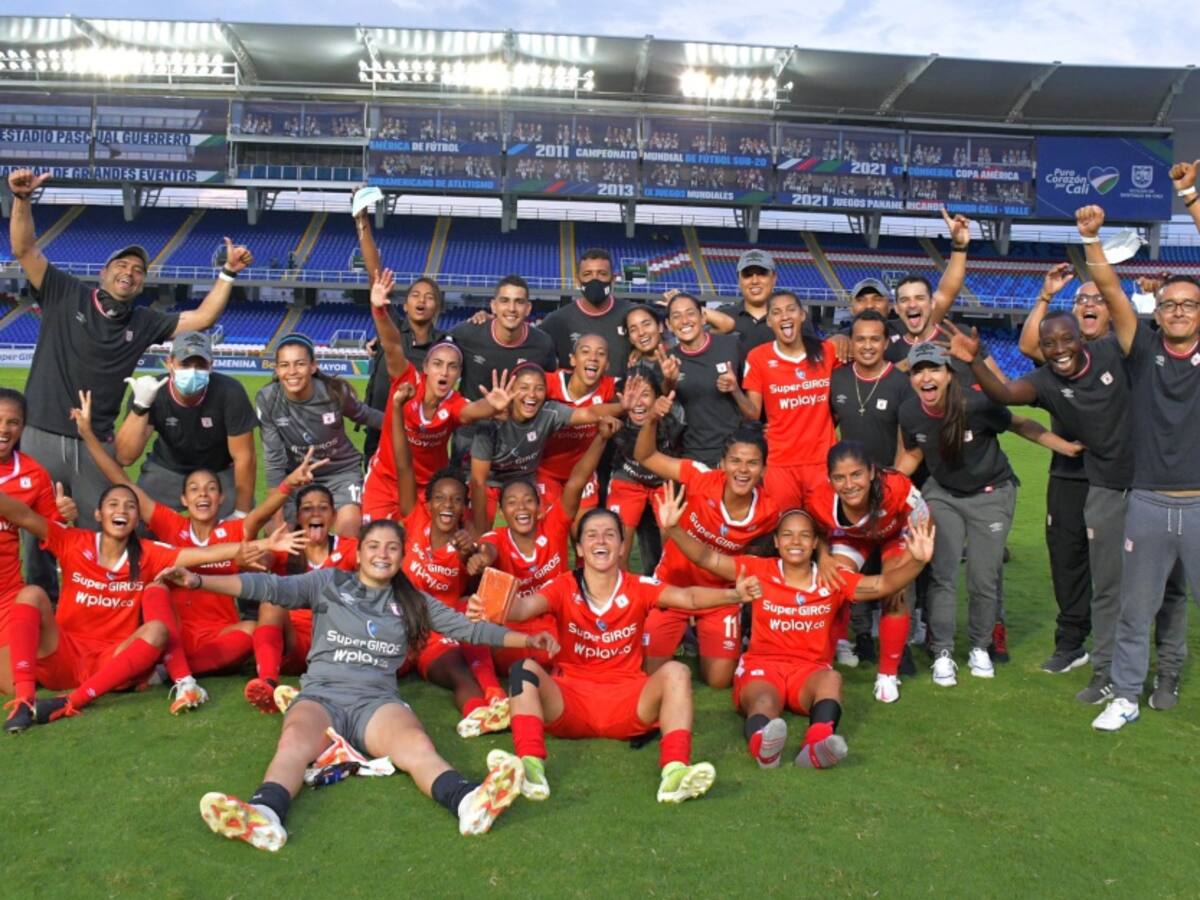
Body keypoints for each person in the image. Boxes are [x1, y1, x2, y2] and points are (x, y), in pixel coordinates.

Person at [158, 518, 558, 849]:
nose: (382, 554)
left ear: (402, 556)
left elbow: (469, 629)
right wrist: (196, 582)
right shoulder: (329, 583)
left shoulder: (412, 601)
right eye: (374, 546)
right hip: (321, 697)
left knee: (416, 745)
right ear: (360, 552)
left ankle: (469, 802)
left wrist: (526, 639)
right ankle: (265, 816)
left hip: (376, 702)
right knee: (294, 742)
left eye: (391, 548)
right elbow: (268, 588)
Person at [7, 168, 253, 601]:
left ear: (142, 282)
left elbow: (202, 319)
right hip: (40, 432)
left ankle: (100, 605)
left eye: (138, 270)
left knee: (99, 528)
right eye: (122, 265)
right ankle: (45, 607)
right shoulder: (66, 292)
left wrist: (228, 274)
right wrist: (22, 201)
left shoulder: (143, 322)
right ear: (104, 273)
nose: (129, 273)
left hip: (93, 443)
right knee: (37, 533)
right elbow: (24, 248)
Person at [468, 507, 762, 805]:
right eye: (592, 535)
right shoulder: (563, 585)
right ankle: (531, 769)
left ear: (623, 546)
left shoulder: (638, 586)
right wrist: (486, 605)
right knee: (524, 669)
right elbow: (521, 609)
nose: (601, 541)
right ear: (580, 548)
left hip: (627, 703)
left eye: (610, 535)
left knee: (677, 672)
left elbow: (687, 598)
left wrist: (734, 595)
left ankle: (675, 773)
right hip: (570, 703)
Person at [74, 388, 319, 713]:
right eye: (194, 490)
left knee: (250, 631)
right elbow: (121, 480)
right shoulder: (171, 525)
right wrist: (88, 435)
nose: (203, 495)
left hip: (218, 635)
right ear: (185, 500)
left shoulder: (233, 531)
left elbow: (261, 513)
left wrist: (291, 484)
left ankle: (164, 669)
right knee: (155, 589)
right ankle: (173, 668)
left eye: (211, 489)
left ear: (221, 499)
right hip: (173, 630)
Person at [0, 467, 296, 732]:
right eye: (113, 505)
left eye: (130, 506)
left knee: (156, 630)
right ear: (98, 514)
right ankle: (25, 700)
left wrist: (265, 543)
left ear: (136, 518)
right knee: (31, 594)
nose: (123, 510)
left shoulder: (149, 553)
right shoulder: (74, 541)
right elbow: (24, 516)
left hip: (111, 661)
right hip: (63, 655)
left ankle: (71, 701)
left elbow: (206, 554)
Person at [657, 487, 934, 768]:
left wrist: (918, 562)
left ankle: (815, 746)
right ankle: (764, 749)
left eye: (804, 535)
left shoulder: (831, 579)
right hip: (764, 667)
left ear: (815, 543)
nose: (795, 542)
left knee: (832, 680)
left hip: (809, 670)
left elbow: (882, 585)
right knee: (764, 700)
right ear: (776, 542)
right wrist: (675, 529)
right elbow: (707, 558)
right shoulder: (760, 571)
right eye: (787, 535)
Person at [1018, 269, 1190, 693]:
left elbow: (1159, 328)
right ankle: (1085, 652)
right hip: (1080, 474)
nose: (1089, 305)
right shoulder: (1061, 348)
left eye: (1098, 300)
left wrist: (1153, 297)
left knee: (1161, 579)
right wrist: (1044, 296)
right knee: (1083, 568)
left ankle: (1160, 664)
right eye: (1081, 300)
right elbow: (1027, 347)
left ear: (1113, 314)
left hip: (1140, 478)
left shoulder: (1126, 350)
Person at [1072, 203, 1200, 732]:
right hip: (1146, 501)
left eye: (1189, 305)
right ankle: (1124, 694)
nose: (1178, 311)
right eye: (1169, 304)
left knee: (1173, 607)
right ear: (1157, 312)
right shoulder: (1142, 347)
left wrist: (1193, 202)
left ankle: (1161, 678)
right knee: (1134, 608)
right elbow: (1112, 292)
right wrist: (1092, 241)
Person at [896, 342, 1081, 685]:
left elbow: (1020, 424)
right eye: (918, 371)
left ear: (949, 375)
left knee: (984, 577)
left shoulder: (976, 404)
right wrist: (885, 485)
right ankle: (943, 653)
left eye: (934, 369)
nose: (926, 377)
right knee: (943, 574)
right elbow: (912, 456)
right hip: (945, 495)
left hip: (991, 494)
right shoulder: (910, 412)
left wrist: (1064, 446)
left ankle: (980, 647)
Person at [386, 384, 512, 738]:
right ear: (428, 501)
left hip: (433, 634)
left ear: (463, 507)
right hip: (396, 625)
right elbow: (403, 461)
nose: (446, 505)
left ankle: (482, 715)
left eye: (456, 500)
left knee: (458, 672)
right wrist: (397, 408)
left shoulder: (465, 542)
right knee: (365, 665)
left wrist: (474, 559)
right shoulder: (415, 517)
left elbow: (477, 590)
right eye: (440, 498)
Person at [633, 403, 779, 688]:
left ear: (763, 469)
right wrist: (651, 420)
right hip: (673, 587)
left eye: (752, 463)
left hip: (719, 598)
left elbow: (754, 560)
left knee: (719, 681)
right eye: (735, 461)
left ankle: (703, 632)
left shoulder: (768, 512)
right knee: (651, 674)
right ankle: (680, 631)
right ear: (722, 464)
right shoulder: (699, 477)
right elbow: (646, 455)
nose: (743, 470)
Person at [362, 270, 513, 523]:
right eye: (438, 364)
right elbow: (392, 345)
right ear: (426, 367)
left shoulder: (453, 404)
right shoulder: (407, 381)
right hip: (385, 481)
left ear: (458, 374)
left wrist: (492, 406)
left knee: (419, 554)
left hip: (427, 489)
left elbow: (472, 410)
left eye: (453, 367)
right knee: (376, 545)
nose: (444, 371)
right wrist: (379, 310)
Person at [467, 424, 616, 673]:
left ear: (539, 507)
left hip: (555, 622)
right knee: (522, 658)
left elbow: (577, 480)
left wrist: (601, 437)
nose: (522, 508)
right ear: (503, 512)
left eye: (528, 501)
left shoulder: (553, 524)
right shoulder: (498, 537)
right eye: (512, 503)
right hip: (515, 629)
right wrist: (481, 559)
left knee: (592, 642)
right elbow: (487, 551)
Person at [806, 442, 929, 703]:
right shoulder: (819, 497)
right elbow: (813, 530)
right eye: (839, 477)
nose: (849, 484)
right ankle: (825, 655)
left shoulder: (895, 487)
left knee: (896, 590)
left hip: (897, 534)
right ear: (830, 479)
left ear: (872, 472)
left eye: (856, 474)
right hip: (853, 537)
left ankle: (887, 674)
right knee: (831, 582)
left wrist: (906, 565)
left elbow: (924, 521)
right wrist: (823, 557)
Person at [118, 331, 257, 520]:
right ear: (170, 363)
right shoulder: (152, 390)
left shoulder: (230, 392)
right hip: (166, 468)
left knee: (233, 536)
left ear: (210, 366)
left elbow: (244, 457)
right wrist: (141, 406)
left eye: (200, 365)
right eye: (184, 364)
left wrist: (242, 512)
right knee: (139, 523)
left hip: (218, 470)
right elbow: (125, 457)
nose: (192, 371)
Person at [468, 363, 622, 534]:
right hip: (489, 481)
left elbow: (589, 413)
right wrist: (480, 533)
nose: (532, 394)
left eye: (539, 388)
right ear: (511, 391)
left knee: (541, 529)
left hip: (524, 478)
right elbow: (478, 480)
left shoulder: (549, 413)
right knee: (477, 532)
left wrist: (625, 407)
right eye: (524, 388)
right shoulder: (491, 422)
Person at [256, 333, 383, 537]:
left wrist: (403, 425)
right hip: (297, 476)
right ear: (277, 369)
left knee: (349, 530)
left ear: (313, 366)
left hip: (341, 473)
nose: (292, 372)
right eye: (285, 365)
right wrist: (278, 521)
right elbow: (273, 462)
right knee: (274, 535)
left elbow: (364, 414)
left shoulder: (334, 392)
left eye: (299, 364)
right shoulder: (268, 399)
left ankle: (342, 568)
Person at [244, 482, 354, 713]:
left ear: (333, 517)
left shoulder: (352, 549)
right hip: (295, 642)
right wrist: (267, 549)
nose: (315, 513)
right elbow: (257, 565)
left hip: (338, 643)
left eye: (323, 508)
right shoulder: (287, 549)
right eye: (307, 508)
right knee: (271, 600)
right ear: (298, 517)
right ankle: (268, 684)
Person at [354, 202, 447, 464]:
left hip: (422, 435)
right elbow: (374, 276)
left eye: (429, 297)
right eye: (415, 295)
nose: (421, 301)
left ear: (437, 307)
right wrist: (361, 218)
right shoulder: (390, 327)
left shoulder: (444, 345)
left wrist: (483, 316)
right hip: (379, 429)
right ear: (404, 304)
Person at [735, 290, 841, 512]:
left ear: (802, 315)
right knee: (785, 528)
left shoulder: (827, 351)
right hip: (780, 462)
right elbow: (753, 413)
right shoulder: (758, 357)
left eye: (791, 309)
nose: (784, 316)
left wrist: (845, 336)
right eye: (776, 312)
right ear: (769, 321)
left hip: (822, 460)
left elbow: (844, 396)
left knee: (825, 529)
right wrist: (734, 389)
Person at [447, 275, 557, 463]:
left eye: (519, 302)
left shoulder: (543, 343)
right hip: (471, 431)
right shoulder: (466, 334)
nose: (512, 309)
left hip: (517, 434)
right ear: (493, 306)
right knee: (462, 489)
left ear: (528, 308)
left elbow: (549, 391)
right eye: (504, 301)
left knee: (515, 491)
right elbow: (435, 357)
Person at [0, 388, 77, 637]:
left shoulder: (33, 474)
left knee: (16, 676)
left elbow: (52, 534)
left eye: (13, 422)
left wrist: (64, 515)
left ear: (23, 428)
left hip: (6, 594)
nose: (4, 430)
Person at [608, 366, 686, 569]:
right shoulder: (615, 415)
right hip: (629, 476)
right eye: (631, 393)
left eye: (645, 394)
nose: (638, 402)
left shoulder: (672, 413)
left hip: (663, 481)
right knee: (619, 542)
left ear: (656, 397)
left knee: (670, 540)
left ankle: (665, 590)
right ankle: (622, 593)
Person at [536, 334, 617, 511]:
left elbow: (643, 393)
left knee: (585, 531)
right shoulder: (547, 383)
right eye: (585, 351)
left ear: (608, 364)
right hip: (544, 473)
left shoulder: (611, 388)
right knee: (549, 533)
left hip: (583, 474)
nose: (593, 358)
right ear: (573, 360)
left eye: (601, 354)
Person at [664, 292, 743, 466]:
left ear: (703, 317)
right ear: (669, 325)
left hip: (735, 450)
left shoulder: (730, 345)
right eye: (676, 316)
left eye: (690, 313)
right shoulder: (667, 361)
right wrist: (669, 381)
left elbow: (751, 397)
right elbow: (664, 403)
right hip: (693, 455)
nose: (684, 321)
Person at [537, 248, 632, 378]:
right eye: (587, 274)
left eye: (602, 274)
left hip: (621, 396)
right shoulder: (556, 320)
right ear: (577, 280)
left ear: (613, 279)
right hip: (577, 397)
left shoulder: (631, 314)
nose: (595, 280)